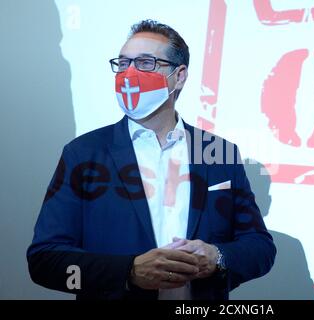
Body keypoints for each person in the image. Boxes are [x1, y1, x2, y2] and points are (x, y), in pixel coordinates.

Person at [27, 19, 276, 300]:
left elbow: (261, 249)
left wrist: (217, 257)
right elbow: (44, 261)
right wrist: (129, 272)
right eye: (122, 63)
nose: (129, 73)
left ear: (179, 76)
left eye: (145, 63)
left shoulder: (221, 154)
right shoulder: (83, 153)